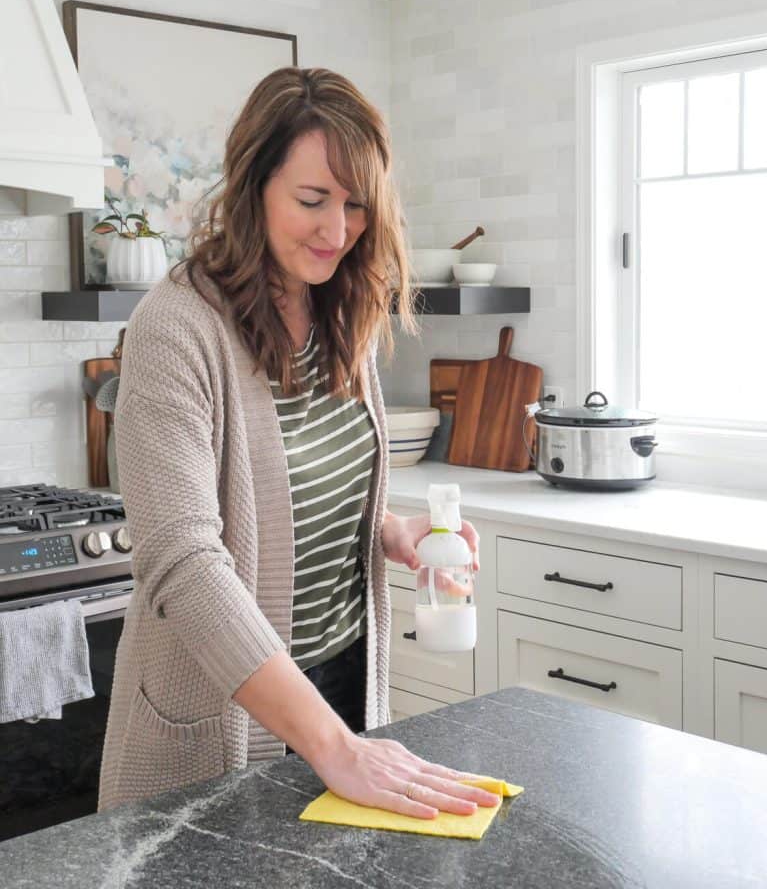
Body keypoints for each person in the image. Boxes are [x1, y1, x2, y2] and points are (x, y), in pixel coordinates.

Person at [97, 66, 500, 820]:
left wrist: (390, 529)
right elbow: (182, 562)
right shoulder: (176, 328)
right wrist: (333, 746)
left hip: (345, 695)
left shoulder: (338, 312)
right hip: (220, 726)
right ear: (253, 189)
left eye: (355, 206)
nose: (337, 230)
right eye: (312, 200)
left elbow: (298, 492)